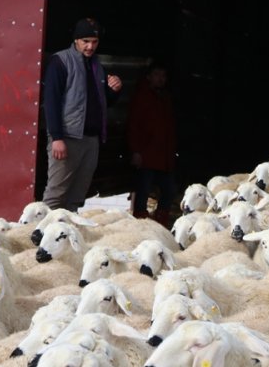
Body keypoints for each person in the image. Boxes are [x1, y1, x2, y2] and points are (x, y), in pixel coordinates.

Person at [41, 18, 123, 211]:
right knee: (55, 195)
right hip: (68, 138)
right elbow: (51, 102)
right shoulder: (60, 61)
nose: (90, 46)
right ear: (76, 40)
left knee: (77, 197)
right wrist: (57, 138)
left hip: (91, 139)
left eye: (94, 42)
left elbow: (103, 103)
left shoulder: (97, 66)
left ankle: (69, 228)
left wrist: (114, 90)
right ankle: (43, 229)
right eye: (85, 41)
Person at [127, 60, 177, 222]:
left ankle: (161, 223)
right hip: (146, 155)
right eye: (156, 75)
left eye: (163, 76)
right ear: (149, 77)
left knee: (169, 190)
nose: (160, 79)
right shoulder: (141, 97)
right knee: (143, 192)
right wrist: (136, 152)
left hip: (164, 155)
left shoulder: (165, 98)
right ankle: (140, 224)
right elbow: (134, 126)